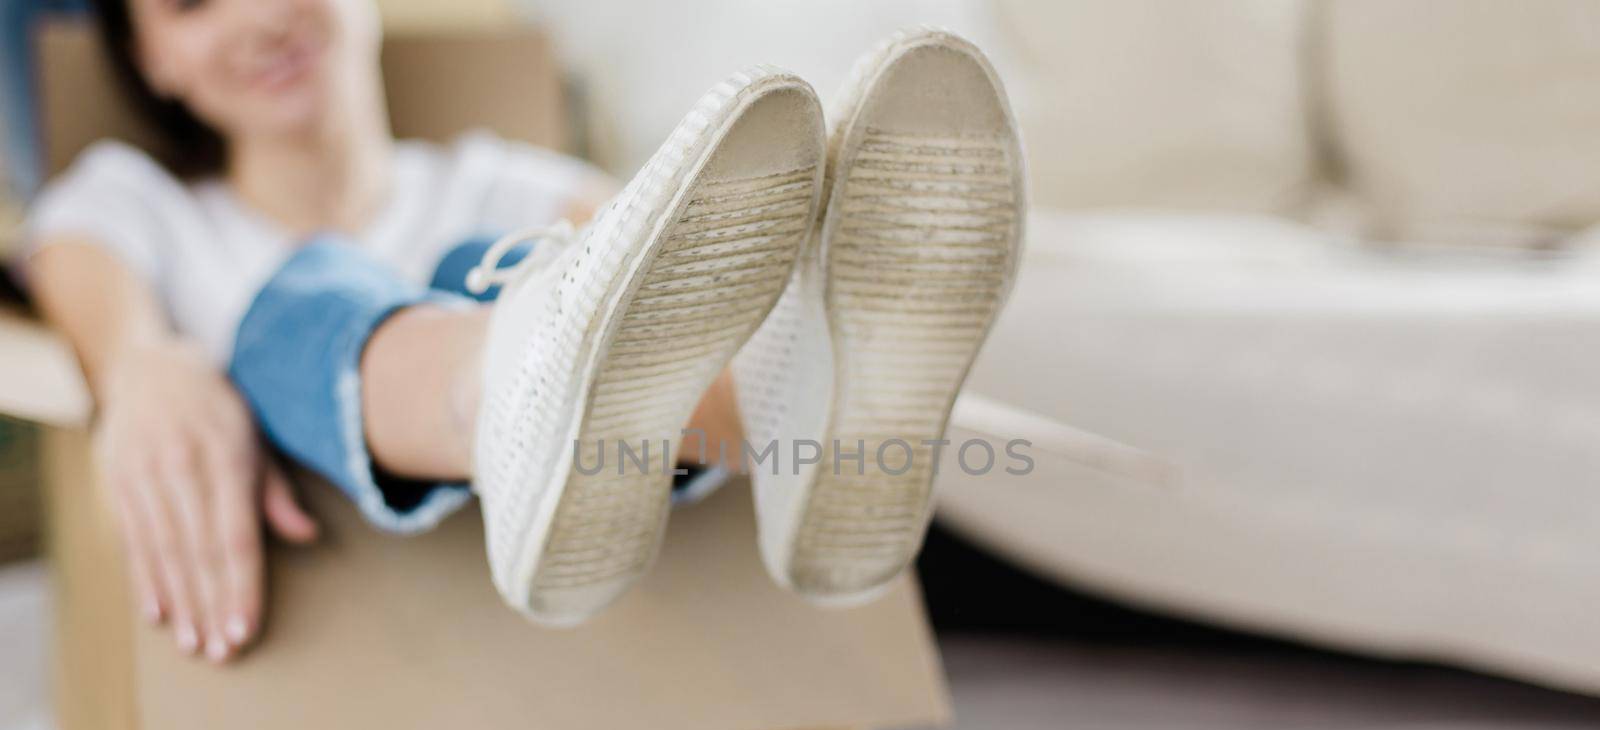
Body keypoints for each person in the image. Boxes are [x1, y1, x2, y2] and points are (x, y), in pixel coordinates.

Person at [20, 0, 1026, 665]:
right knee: (299, 302)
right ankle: (515, 398)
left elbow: (677, 285)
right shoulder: (135, 201)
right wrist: (146, 367)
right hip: (345, 446)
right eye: (193, 2)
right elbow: (85, 288)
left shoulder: (500, 179)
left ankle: (798, 397)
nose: (256, 13)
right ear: (151, 58)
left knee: (542, 268)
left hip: (588, 444)